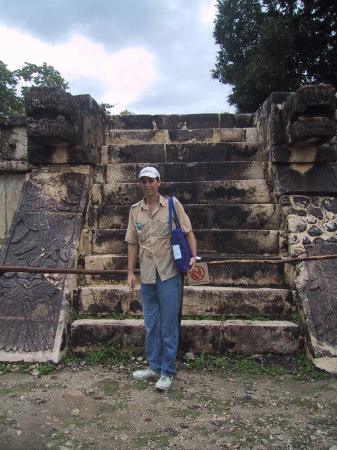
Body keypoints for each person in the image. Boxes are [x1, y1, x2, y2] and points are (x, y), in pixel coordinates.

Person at [125, 166, 197, 391]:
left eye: (151, 181)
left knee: (168, 324)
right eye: (143, 181)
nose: (147, 185)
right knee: (151, 323)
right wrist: (129, 273)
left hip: (169, 273)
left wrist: (194, 256)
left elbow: (188, 232)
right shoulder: (135, 210)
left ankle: (167, 372)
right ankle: (154, 366)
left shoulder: (172, 205)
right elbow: (132, 243)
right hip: (147, 274)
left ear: (159, 182)